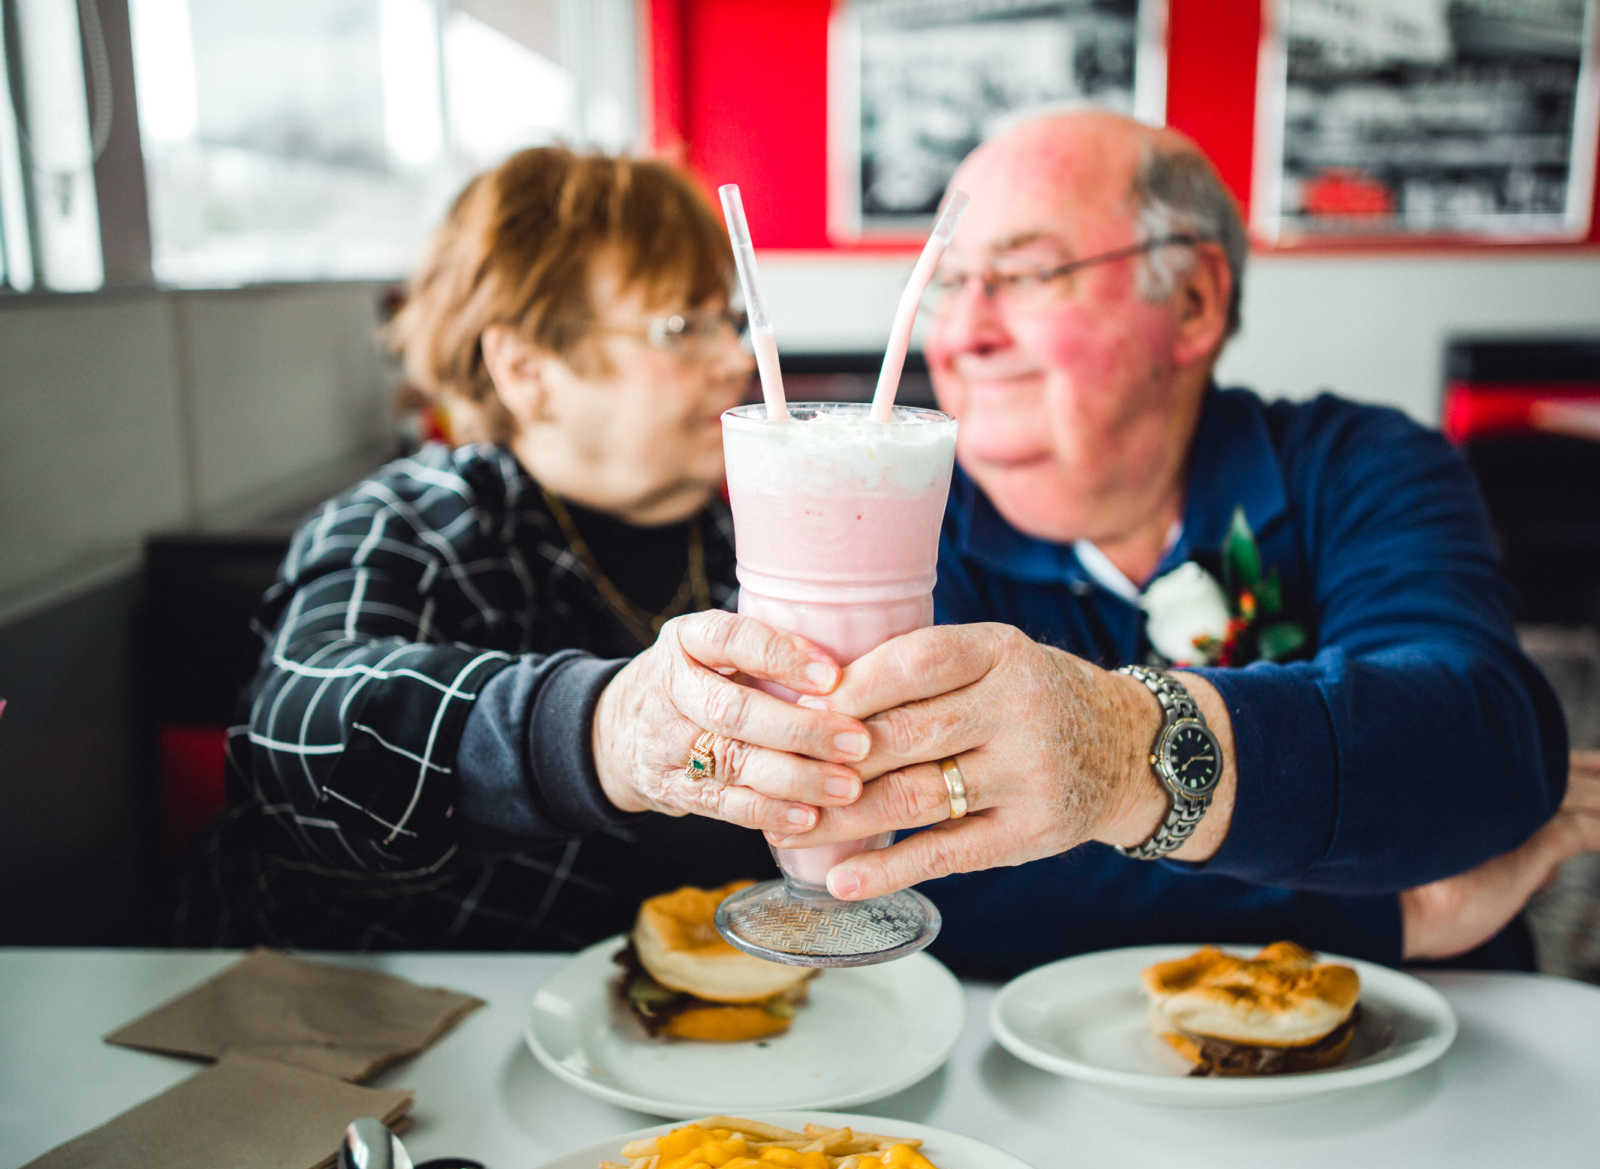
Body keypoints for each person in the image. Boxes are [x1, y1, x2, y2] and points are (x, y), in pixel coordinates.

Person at [727, 108, 1583, 975]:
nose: (962, 334)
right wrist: (1396, 913)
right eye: (949, 286)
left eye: (1023, 274)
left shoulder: (1361, 466)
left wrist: (1118, 751)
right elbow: (899, 885)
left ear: (1194, 301)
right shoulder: (889, 528)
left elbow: (1480, 747)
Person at [176, 146, 878, 949]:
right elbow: (295, 736)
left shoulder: (734, 546)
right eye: (682, 327)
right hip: (373, 1018)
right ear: (525, 369)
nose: (735, 360)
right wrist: (603, 733)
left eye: (730, 321)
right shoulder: (412, 524)